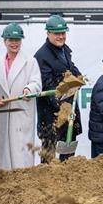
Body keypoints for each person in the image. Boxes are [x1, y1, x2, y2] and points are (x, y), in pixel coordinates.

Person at [0, 23, 42, 170]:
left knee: (21, 156)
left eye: (17, 40)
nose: (14, 43)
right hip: (2, 115)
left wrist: (29, 90)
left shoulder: (30, 62)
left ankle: (23, 188)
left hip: (21, 115)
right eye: (11, 40)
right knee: (2, 156)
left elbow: (36, 83)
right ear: (5, 41)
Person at [34, 15, 82, 162]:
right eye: (57, 33)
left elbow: (71, 69)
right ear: (48, 33)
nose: (61, 37)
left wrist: (79, 77)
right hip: (51, 117)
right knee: (49, 159)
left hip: (68, 113)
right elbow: (48, 86)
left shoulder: (65, 51)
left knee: (68, 157)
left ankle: (67, 184)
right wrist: (63, 108)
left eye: (63, 33)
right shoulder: (42, 56)